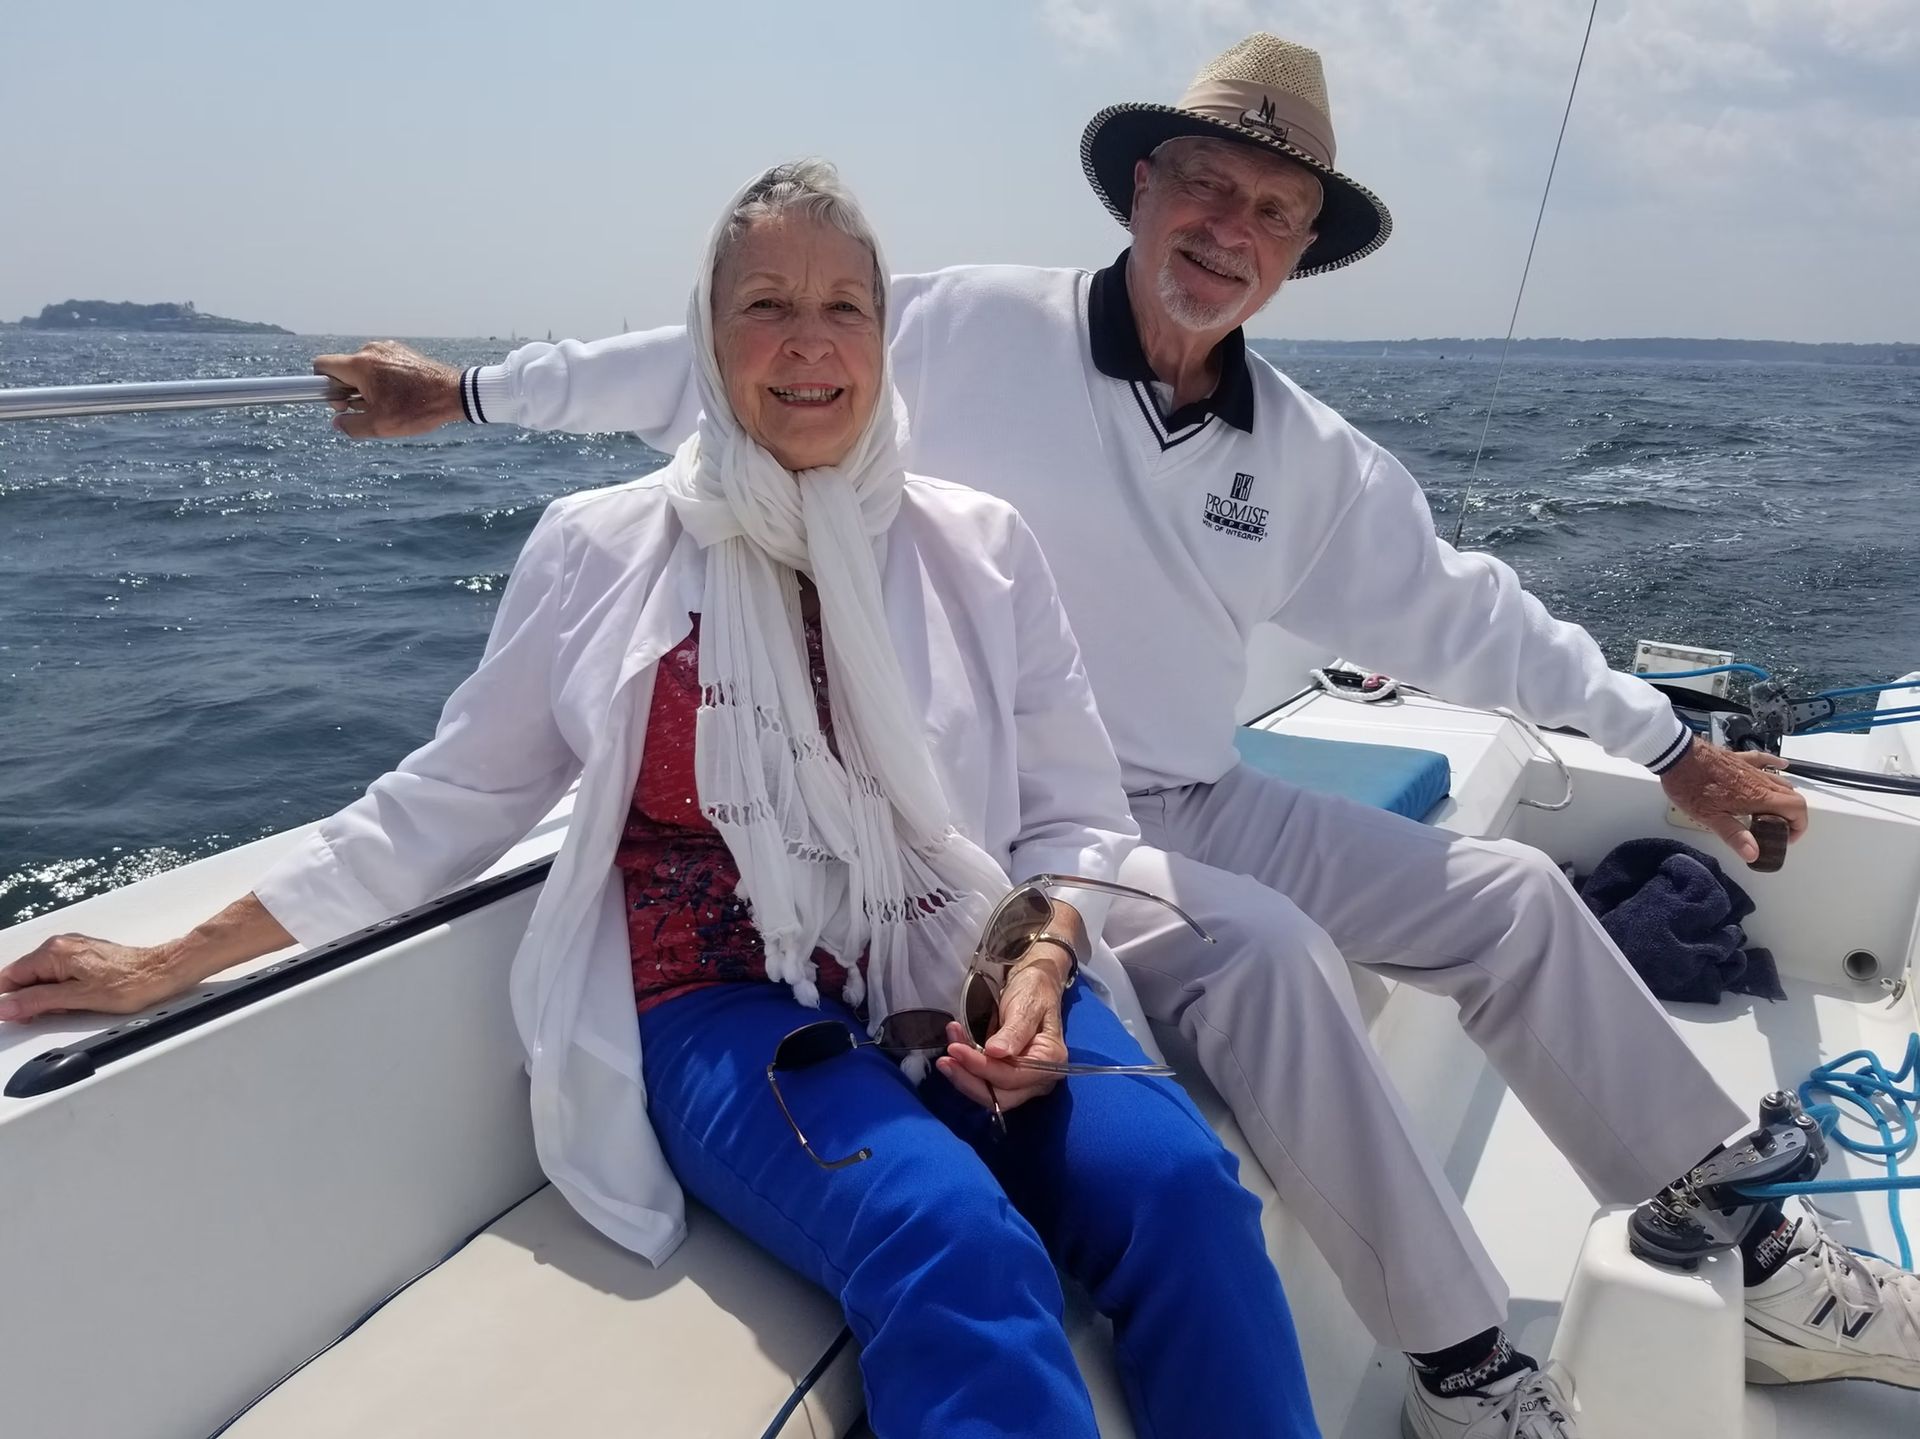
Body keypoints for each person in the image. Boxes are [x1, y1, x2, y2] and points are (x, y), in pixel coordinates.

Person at [269, 30, 1916, 1436]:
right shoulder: (969, 322)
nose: (1228, 230)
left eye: (1269, 213)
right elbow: (700, 358)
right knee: (1264, 957)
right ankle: (1463, 1356)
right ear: (1141, 194)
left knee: (1513, 898)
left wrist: (1669, 747)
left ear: (1296, 254)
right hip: (1017, 814)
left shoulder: (1311, 456)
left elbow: (1474, 613)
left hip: (1202, 781)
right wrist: (467, 398)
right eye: (1203, 188)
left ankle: (1737, 1225)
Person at [0, 163, 1322, 1439]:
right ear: (708, 335)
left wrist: (1038, 967)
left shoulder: (978, 546)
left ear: (885, 335)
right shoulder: (603, 550)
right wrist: (173, 957)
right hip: (726, 1007)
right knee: (949, 1235)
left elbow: (1080, 816)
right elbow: (446, 803)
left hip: (971, 967)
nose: (808, 344)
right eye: (766, 305)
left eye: (842, 306)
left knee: (1186, 1195)